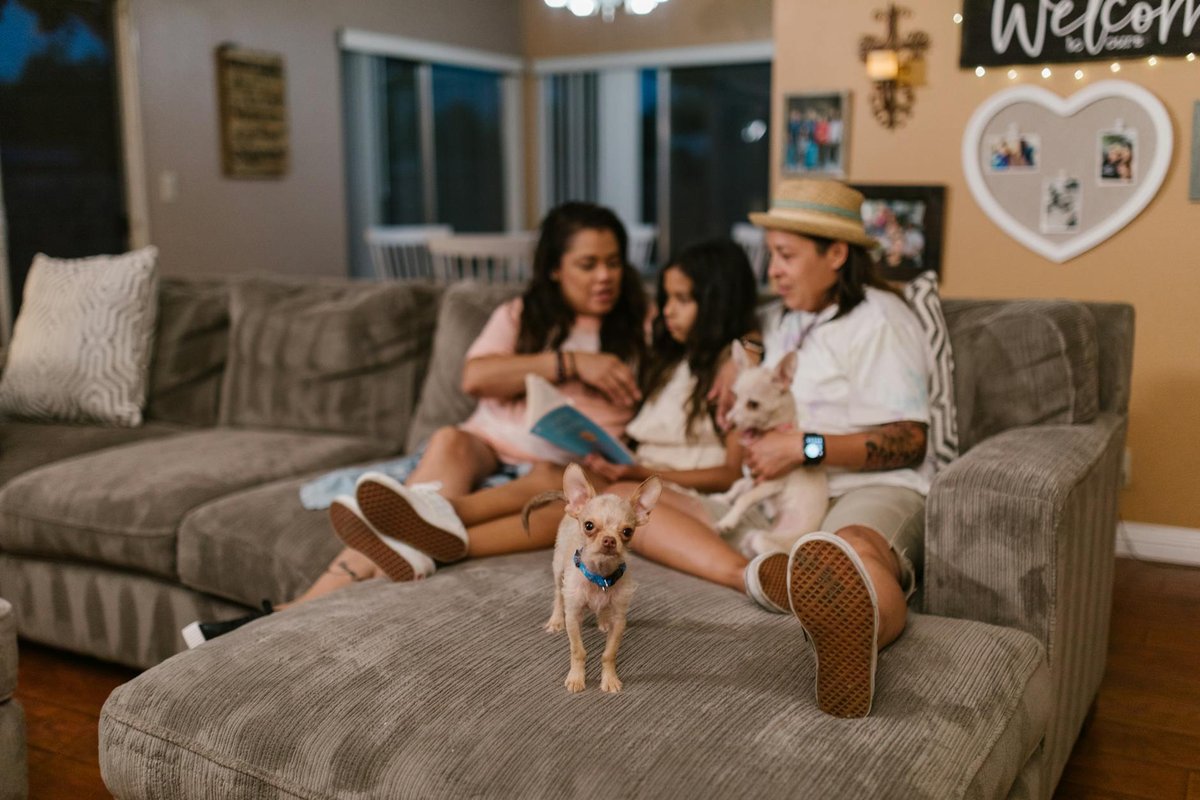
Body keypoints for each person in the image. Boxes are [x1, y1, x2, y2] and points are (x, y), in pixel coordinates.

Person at [182, 201, 648, 647]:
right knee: (448, 439)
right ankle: (419, 529)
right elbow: (476, 376)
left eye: (613, 263)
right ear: (554, 268)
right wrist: (571, 362)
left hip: (559, 471)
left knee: (555, 496)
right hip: (489, 445)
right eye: (588, 264)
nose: (605, 275)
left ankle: (287, 611)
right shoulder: (522, 316)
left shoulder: (641, 328)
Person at [614, 179, 932, 721]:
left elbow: (909, 440)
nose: (773, 272)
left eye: (785, 256)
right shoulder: (786, 321)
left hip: (865, 487)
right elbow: (750, 359)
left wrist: (804, 448)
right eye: (771, 257)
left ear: (836, 254)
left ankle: (853, 641)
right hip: (776, 494)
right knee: (624, 499)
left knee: (854, 548)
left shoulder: (880, 319)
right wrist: (731, 370)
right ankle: (764, 577)